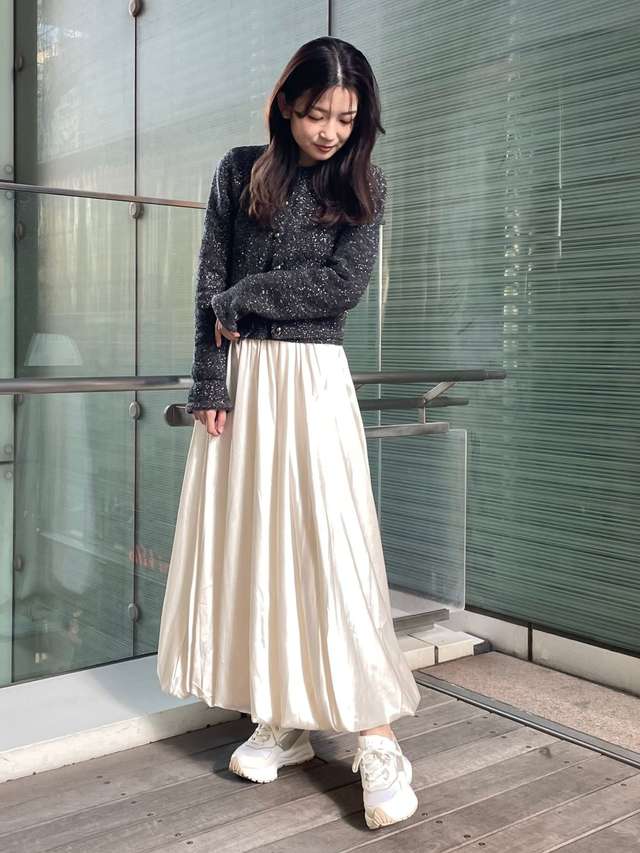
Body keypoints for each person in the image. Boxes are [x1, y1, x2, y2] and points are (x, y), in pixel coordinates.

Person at [156, 36, 421, 830]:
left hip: (311, 381)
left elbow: (341, 287)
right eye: (315, 114)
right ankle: (285, 716)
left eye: (345, 117)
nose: (330, 131)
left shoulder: (365, 182)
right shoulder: (239, 171)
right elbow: (208, 281)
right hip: (242, 385)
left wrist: (245, 296)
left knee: (330, 548)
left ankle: (376, 736)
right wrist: (210, 379)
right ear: (285, 105)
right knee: (260, 548)